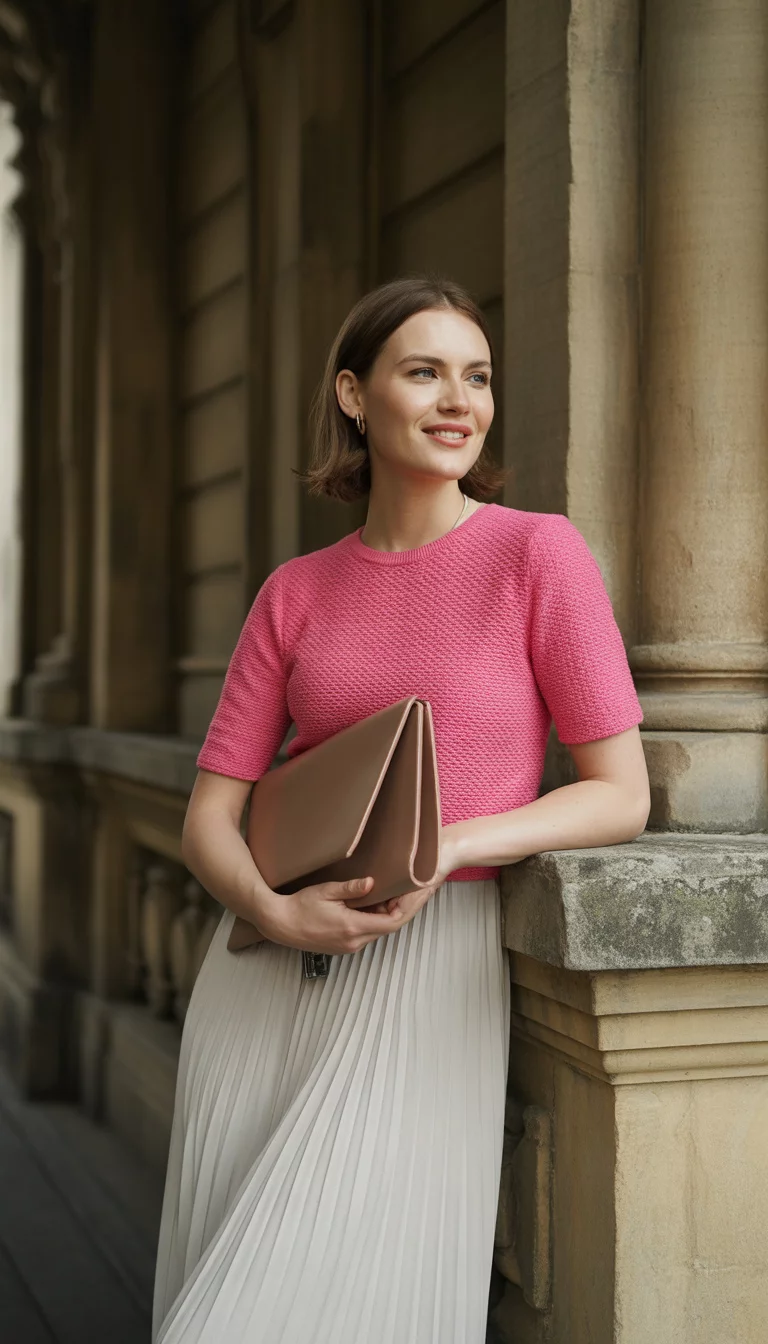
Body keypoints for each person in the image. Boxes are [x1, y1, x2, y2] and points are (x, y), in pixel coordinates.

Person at [152, 275, 650, 1343]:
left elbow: (621, 794)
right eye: (423, 372)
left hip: (426, 965)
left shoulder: (536, 555)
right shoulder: (294, 590)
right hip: (258, 972)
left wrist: (444, 847)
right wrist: (279, 916)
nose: (457, 400)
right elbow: (209, 817)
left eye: (475, 376)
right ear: (353, 395)